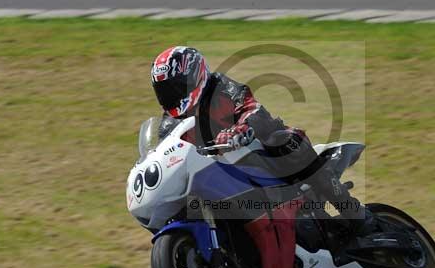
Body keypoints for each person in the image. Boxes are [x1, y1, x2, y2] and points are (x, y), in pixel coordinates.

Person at [150, 45, 374, 233]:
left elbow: (252, 108)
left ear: (194, 76)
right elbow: (167, 151)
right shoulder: (171, 122)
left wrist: (242, 128)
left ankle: (354, 212)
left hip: (258, 151)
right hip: (218, 174)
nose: (170, 95)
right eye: (164, 90)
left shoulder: (222, 88)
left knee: (283, 142)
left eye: (175, 87)